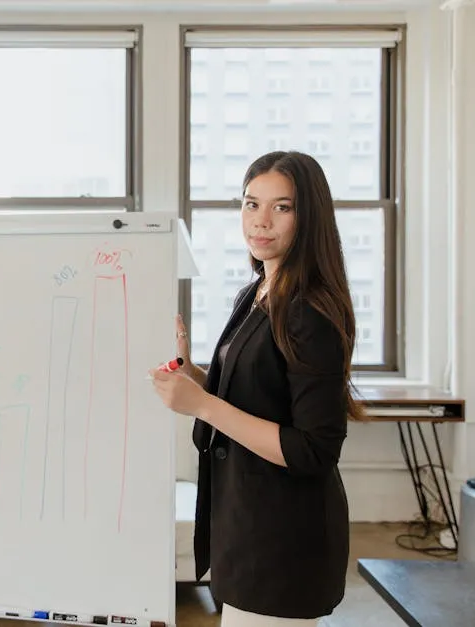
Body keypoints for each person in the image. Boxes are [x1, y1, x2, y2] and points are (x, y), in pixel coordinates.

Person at [150, 150, 365, 626]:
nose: (261, 221)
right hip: (246, 524)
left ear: (309, 217)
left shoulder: (311, 311)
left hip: (284, 540)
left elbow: (313, 448)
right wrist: (195, 377)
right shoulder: (257, 291)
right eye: (251, 204)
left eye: (282, 207)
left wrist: (203, 405)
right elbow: (256, 396)